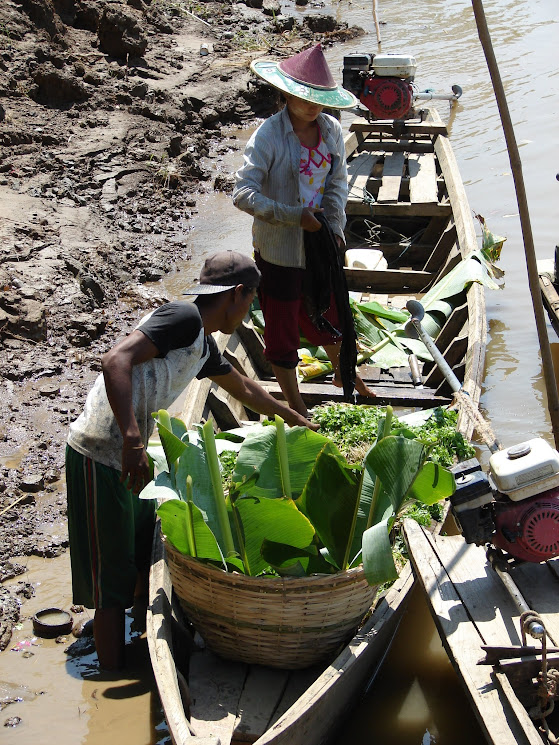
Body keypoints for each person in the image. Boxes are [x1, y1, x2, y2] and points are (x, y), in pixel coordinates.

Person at [65, 250, 317, 670]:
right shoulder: (183, 317)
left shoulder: (201, 344)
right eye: (252, 299)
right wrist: (132, 440)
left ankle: (127, 641)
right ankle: (110, 676)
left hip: (131, 456)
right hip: (101, 452)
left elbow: (243, 388)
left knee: (134, 554)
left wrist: (292, 416)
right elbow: (114, 361)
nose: (252, 308)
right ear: (237, 294)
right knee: (109, 578)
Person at [233, 44, 375, 419]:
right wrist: (294, 216)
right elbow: (243, 194)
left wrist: (335, 227)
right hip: (279, 249)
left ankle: (345, 376)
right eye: (303, 98)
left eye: (320, 99)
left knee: (329, 314)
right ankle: (294, 403)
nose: (313, 107)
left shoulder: (329, 129)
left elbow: (338, 184)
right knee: (281, 328)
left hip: (320, 243)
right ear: (286, 94)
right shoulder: (269, 136)